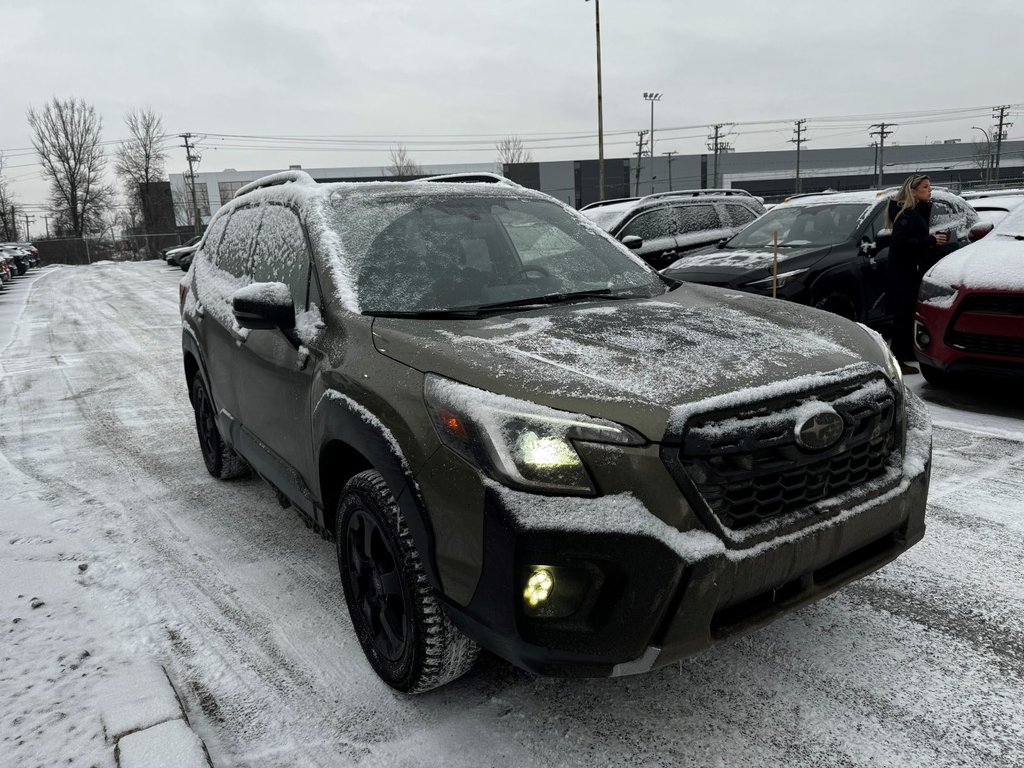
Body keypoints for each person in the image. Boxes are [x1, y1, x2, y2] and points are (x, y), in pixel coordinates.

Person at [884, 174, 947, 375]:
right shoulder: (906, 216)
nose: (930, 190)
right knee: (902, 317)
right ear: (913, 191)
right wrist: (931, 240)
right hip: (902, 274)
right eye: (926, 187)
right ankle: (896, 360)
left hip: (910, 271)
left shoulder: (915, 212)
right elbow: (900, 244)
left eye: (930, 186)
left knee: (909, 315)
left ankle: (907, 352)